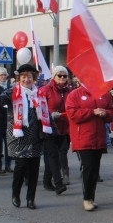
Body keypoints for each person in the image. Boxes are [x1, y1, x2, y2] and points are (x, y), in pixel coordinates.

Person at [0, 64, 51, 210]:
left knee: (34, 169)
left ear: (33, 78)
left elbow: (44, 112)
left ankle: (30, 199)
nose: (26, 79)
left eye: (29, 77)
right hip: (19, 136)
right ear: (19, 78)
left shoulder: (38, 93)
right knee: (20, 167)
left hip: (35, 137)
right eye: (23, 77)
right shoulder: (12, 92)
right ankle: (16, 194)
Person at [65, 77, 113, 211]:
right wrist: (92, 112)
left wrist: (106, 113)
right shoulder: (75, 94)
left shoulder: (104, 94)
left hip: (99, 138)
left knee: (95, 169)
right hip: (83, 137)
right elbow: (72, 114)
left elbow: (112, 112)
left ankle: (91, 197)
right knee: (88, 167)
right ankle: (87, 198)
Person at [38, 66, 72, 195]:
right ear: (54, 77)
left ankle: (47, 180)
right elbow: (39, 108)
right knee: (53, 155)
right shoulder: (45, 90)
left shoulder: (69, 91)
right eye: (59, 76)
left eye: (65, 76)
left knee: (56, 154)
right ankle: (58, 184)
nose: (62, 78)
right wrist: (49, 115)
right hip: (49, 128)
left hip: (64, 128)